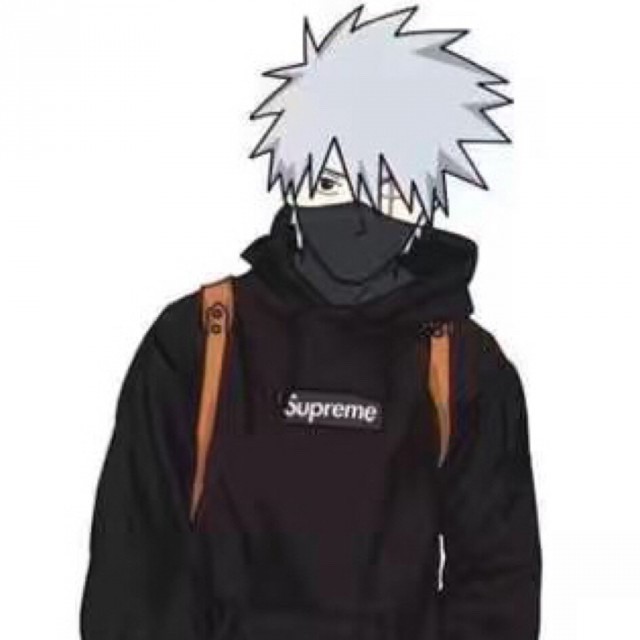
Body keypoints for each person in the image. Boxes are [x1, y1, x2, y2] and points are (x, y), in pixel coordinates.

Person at [80, 6, 542, 639]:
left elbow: (497, 584)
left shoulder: (463, 365)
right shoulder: (200, 338)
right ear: (291, 181)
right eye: (329, 180)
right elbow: (133, 566)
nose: (358, 215)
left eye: (389, 190)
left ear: (426, 200)